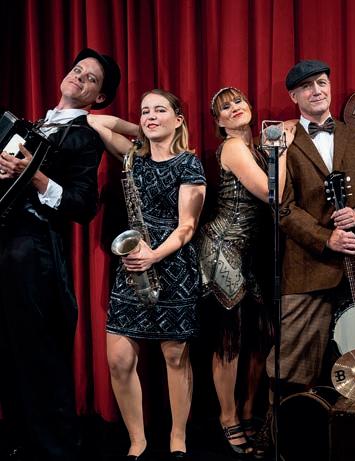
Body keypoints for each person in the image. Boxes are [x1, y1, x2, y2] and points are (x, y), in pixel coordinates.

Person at [255, 60, 355, 456]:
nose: (317, 90)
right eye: (308, 86)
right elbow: (282, 206)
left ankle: (351, 446)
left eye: (323, 83)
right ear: (294, 96)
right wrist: (325, 237)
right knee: (290, 364)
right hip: (306, 266)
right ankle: (278, 437)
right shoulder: (281, 140)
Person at [0, 48, 120, 461]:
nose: (79, 77)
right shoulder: (32, 125)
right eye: (77, 70)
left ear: (98, 98)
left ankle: (56, 450)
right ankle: (19, 439)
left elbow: (83, 205)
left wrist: (34, 176)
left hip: (35, 251)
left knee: (40, 353)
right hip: (6, 244)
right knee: (9, 348)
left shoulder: (85, 137)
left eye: (90, 78)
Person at [88, 89, 207, 460]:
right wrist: (139, 130)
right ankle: (137, 439)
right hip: (133, 265)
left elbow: (187, 226)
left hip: (172, 266)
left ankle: (177, 436)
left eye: (160, 110)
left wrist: (153, 255)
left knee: (175, 358)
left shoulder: (189, 163)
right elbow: (94, 121)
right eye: (145, 111)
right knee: (118, 360)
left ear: (179, 119)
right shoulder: (132, 158)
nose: (151, 116)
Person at [195, 87, 295, 457]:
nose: (234, 108)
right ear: (219, 123)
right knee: (231, 339)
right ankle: (228, 417)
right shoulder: (235, 147)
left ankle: (250, 410)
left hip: (247, 254)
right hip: (222, 249)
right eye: (225, 107)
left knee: (263, 335)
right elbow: (273, 194)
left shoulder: (253, 146)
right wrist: (280, 151)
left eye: (238, 101)